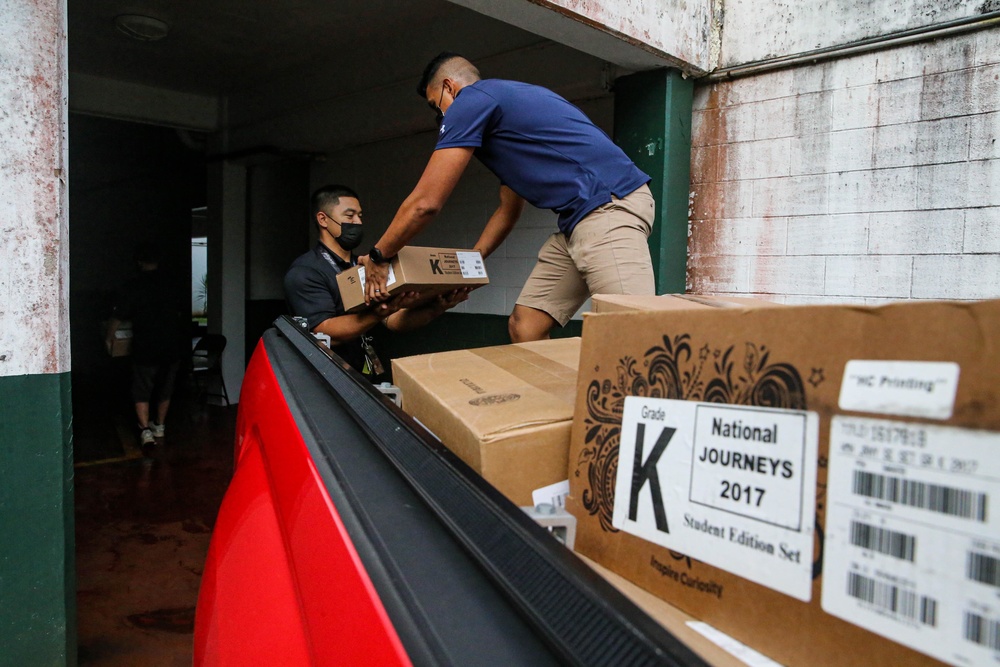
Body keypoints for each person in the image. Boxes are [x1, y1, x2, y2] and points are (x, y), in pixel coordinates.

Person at [359, 52, 656, 343]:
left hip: (607, 207)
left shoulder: (471, 101)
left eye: (436, 106)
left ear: (449, 87)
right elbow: (508, 210)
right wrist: (468, 271)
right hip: (577, 221)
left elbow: (425, 204)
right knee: (525, 326)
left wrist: (379, 256)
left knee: (631, 336)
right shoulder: (507, 117)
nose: (440, 117)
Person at [284, 184, 468, 378]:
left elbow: (394, 322)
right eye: (350, 216)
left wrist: (436, 308)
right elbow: (325, 331)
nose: (357, 222)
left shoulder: (366, 268)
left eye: (360, 216)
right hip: (328, 380)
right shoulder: (306, 272)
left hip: (364, 377)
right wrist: (376, 314)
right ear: (323, 219)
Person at [106, 243, 184, 446]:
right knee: (166, 387)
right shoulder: (171, 284)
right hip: (171, 344)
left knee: (142, 388)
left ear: (139, 262)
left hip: (145, 345)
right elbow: (178, 313)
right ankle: (160, 426)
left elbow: (117, 315)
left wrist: (109, 336)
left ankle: (145, 430)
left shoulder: (133, 285)